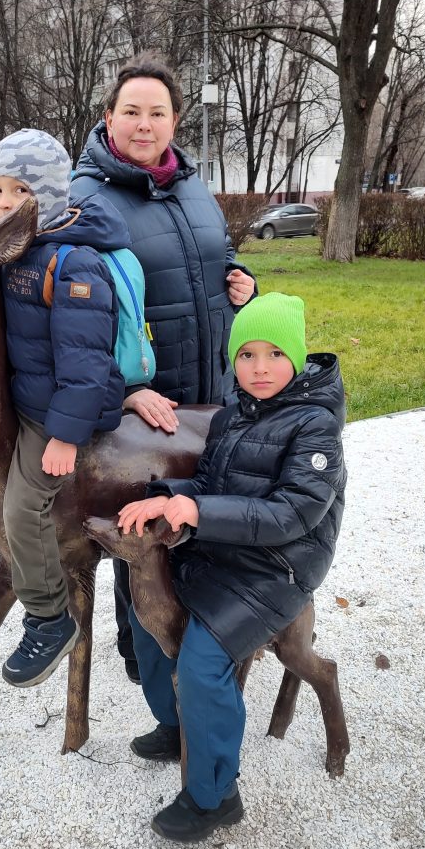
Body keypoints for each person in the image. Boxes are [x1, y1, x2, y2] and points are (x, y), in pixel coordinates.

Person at [115, 292, 347, 843]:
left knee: (201, 659)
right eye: (246, 355)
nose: (259, 368)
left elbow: (293, 513)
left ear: (296, 357)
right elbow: (212, 486)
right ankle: (176, 728)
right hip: (222, 547)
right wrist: (165, 495)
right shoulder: (233, 414)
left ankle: (214, 795)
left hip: (277, 566)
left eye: (273, 354)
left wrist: (197, 511)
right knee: (146, 618)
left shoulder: (314, 427)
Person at [69, 52, 257, 683]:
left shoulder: (192, 184)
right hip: (148, 402)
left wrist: (242, 284)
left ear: (175, 120)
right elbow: (74, 314)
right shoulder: (84, 197)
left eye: (157, 113)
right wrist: (124, 392)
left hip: (212, 388)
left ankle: (202, 639)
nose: (143, 125)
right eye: (131, 112)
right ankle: (142, 654)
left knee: (203, 516)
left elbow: (222, 253)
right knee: (142, 526)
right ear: (108, 118)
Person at [0, 128, 131, 688]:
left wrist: (66, 437)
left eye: (16, 189)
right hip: (26, 397)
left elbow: (86, 365)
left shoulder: (73, 266)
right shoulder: (11, 252)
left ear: (44, 195)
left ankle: (49, 618)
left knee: (22, 510)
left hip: (57, 414)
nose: (2, 201)